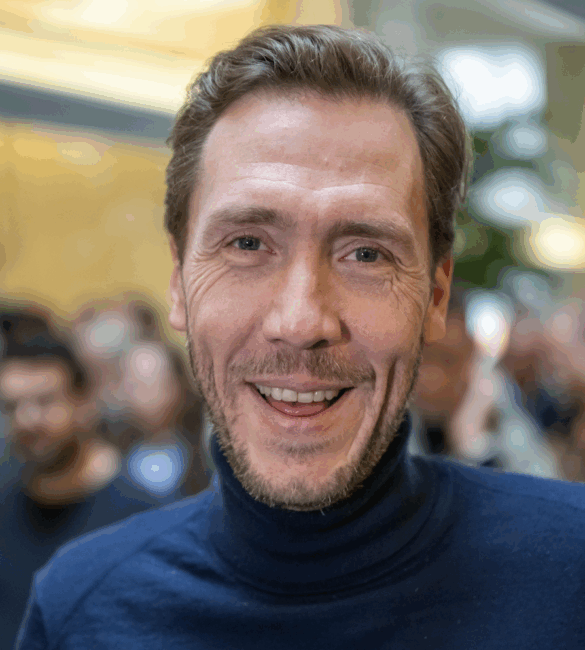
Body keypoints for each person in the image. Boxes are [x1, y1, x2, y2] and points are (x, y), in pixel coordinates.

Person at [15, 25, 585, 649]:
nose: (301, 322)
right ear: (179, 282)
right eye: (247, 243)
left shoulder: (570, 575)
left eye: (366, 253)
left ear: (435, 297)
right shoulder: (83, 612)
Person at [0, 318, 183, 650]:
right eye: (12, 407)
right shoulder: (4, 507)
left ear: (85, 402)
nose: (27, 420)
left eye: (44, 402)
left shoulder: (143, 517)